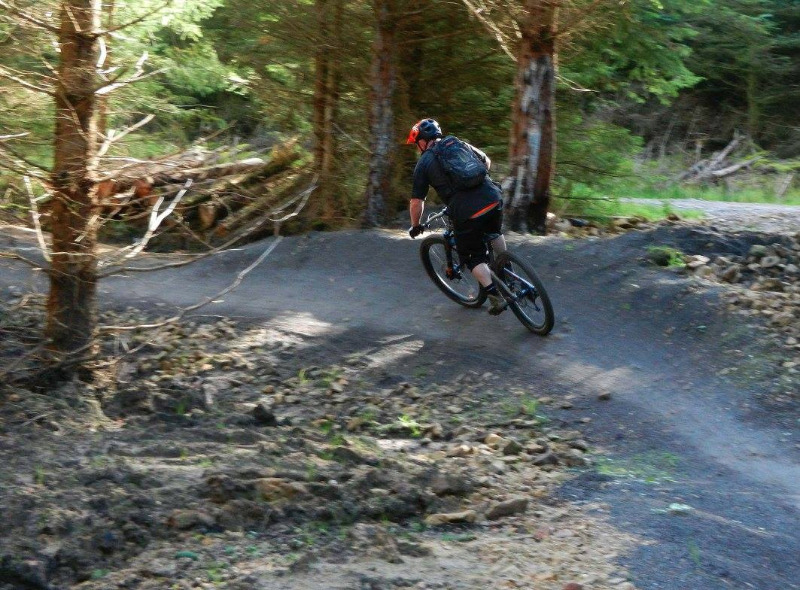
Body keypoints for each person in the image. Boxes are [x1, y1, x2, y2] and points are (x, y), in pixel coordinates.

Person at [406, 118, 508, 315]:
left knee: (472, 257)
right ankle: (506, 268)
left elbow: (416, 201)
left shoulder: (424, 163)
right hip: (493, 197)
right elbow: (486, 162)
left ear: (422, 141)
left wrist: (415, 225)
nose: (418, 147)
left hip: (466, 211)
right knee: (494, 231)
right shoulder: (457, 143)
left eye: (417, 143)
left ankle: (495, 297)